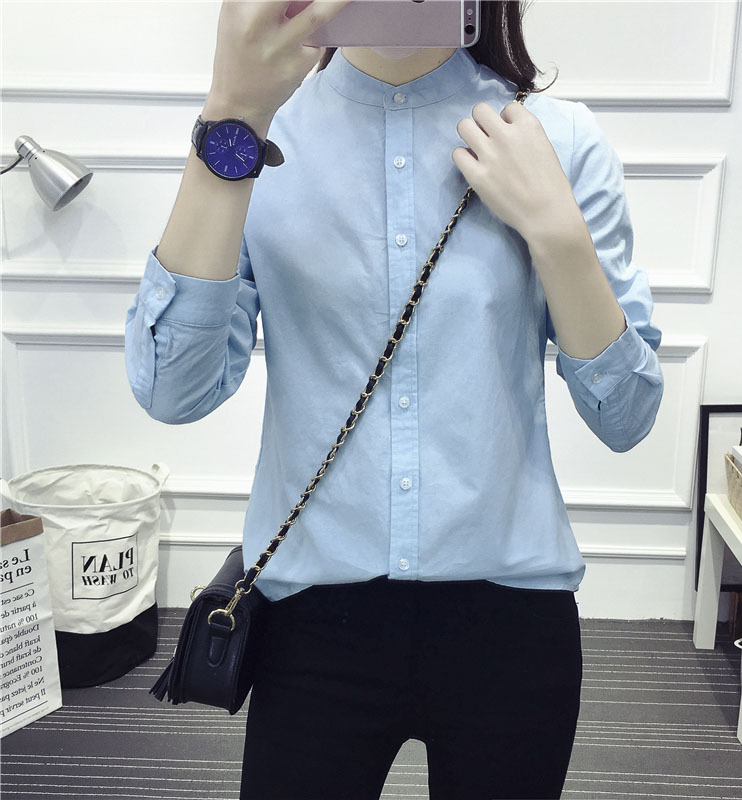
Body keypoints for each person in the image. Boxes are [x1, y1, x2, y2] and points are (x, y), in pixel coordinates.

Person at [124, 1, 664, 798]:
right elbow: (175, 391)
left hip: (510, 622)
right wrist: (231, 117)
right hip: (311, 621)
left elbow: (627, 416)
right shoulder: (258, 140)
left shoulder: (555, 139)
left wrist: (557, 234)